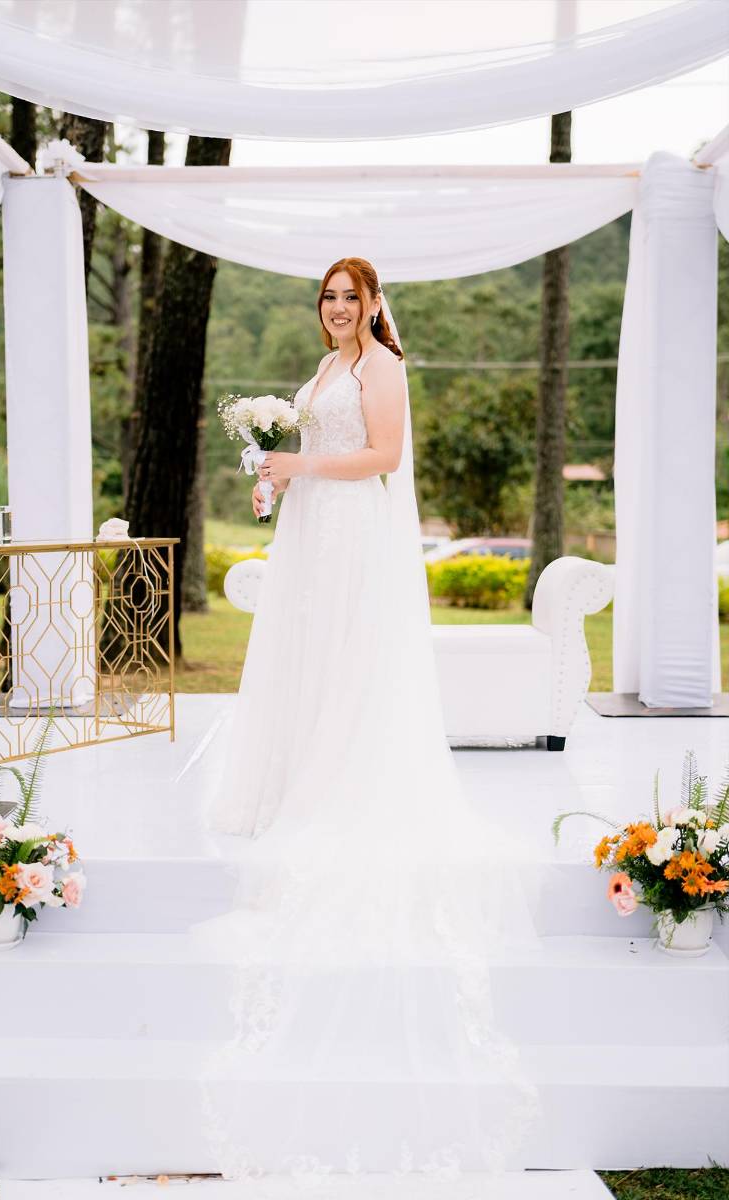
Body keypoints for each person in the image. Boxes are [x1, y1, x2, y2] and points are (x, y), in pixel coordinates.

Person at [193, 257, 543, 1191]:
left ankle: (337, 784)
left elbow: (384, 458)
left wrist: (304, 461)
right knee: (305, 659)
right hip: (313, 526)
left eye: (351, 297)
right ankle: (292, 772)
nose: (338, 309)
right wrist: (280, 480)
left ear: (374, 304)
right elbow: (316, 447)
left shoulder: (383, 366)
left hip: (357, 533)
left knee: (349, 661)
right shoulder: (321, 371)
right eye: (328, 297)